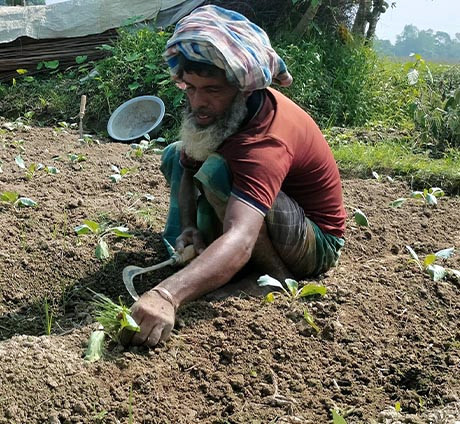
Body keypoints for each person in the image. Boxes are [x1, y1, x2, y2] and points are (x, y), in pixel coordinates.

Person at [122, 6, 346, 347]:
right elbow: (186, 166)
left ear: (243, 89)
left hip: (314, 239)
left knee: (217, 172)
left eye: (212, 90)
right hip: (264, 214)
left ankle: (271, 276)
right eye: (192, 88)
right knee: (175, 154)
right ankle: (209, 255)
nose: (198, 102)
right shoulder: (216, 115)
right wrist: (188, 227)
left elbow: (242, 237)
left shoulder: (265, 139)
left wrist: (167, 295)